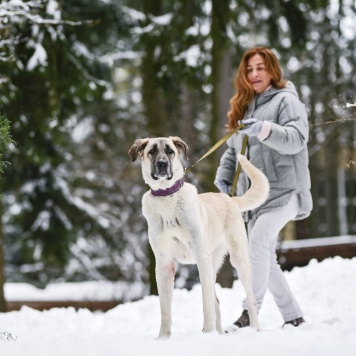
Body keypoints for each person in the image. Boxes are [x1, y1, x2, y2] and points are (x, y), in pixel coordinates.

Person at [214, 47, 312, 331]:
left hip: (286, 190)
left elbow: (296, 139)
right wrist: (223, 179)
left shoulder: (286, 101)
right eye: (249, 69)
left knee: (255, 244)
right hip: (256, 198)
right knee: (263, 255)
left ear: (272, 70)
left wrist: (265, 129)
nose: (254, 74)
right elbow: (233, 151)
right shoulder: (244, 107)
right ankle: (293, 316)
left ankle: (249, 313)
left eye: (260, 67)